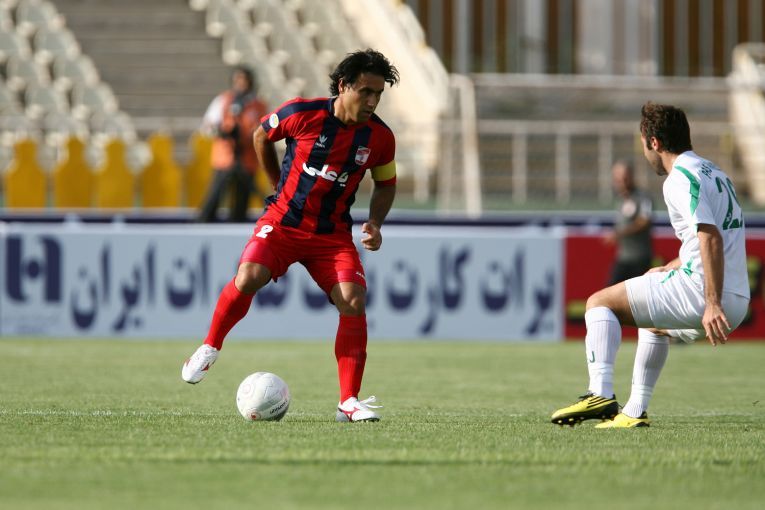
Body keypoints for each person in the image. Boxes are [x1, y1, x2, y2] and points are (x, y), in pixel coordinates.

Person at [182, 49, 400, 423]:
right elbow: (260, 135)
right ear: (343, 86)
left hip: (331, 235)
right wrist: (275, 182)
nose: (372, 101)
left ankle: (348, 402)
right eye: (365, 91)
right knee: (249, 275)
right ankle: (209, 347)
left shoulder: (379, 137)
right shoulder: (302, 113)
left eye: (378, 94)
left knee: (353, 300)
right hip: (284, 222)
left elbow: (386, 183)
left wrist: (376, 223)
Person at [551, 102, 750, 428]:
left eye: (644, 144)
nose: (645, 152)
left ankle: (599, 393)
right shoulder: (716, 173)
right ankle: (633, 411)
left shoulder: (680, 178)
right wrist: (670, 268)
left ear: (654, 142)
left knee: (599, 303)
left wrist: (712, 302)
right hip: (737, 298)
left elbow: (710, 237)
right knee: (654, 325)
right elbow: (718, 239)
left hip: (705, 293)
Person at [198, 65, 269, 222]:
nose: (241, 83)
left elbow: (265, 130)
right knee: (214, 198)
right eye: (238, 80)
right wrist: (221, 132)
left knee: (241, 203)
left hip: (247, 159)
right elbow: (207, 125)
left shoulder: (258, 105)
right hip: (225, 158)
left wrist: (250, 136)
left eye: (244, 80)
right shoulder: (224, 100)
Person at [603, 159, 654, 285]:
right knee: (610, 291)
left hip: (640, 258)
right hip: (623, 257)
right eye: (618, 179)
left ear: (631, 177)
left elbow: (644, 221)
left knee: (639, 294)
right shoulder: (621, 200)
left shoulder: (643, 197)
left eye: (624, 178)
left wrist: (620, 233)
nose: (622, 182)